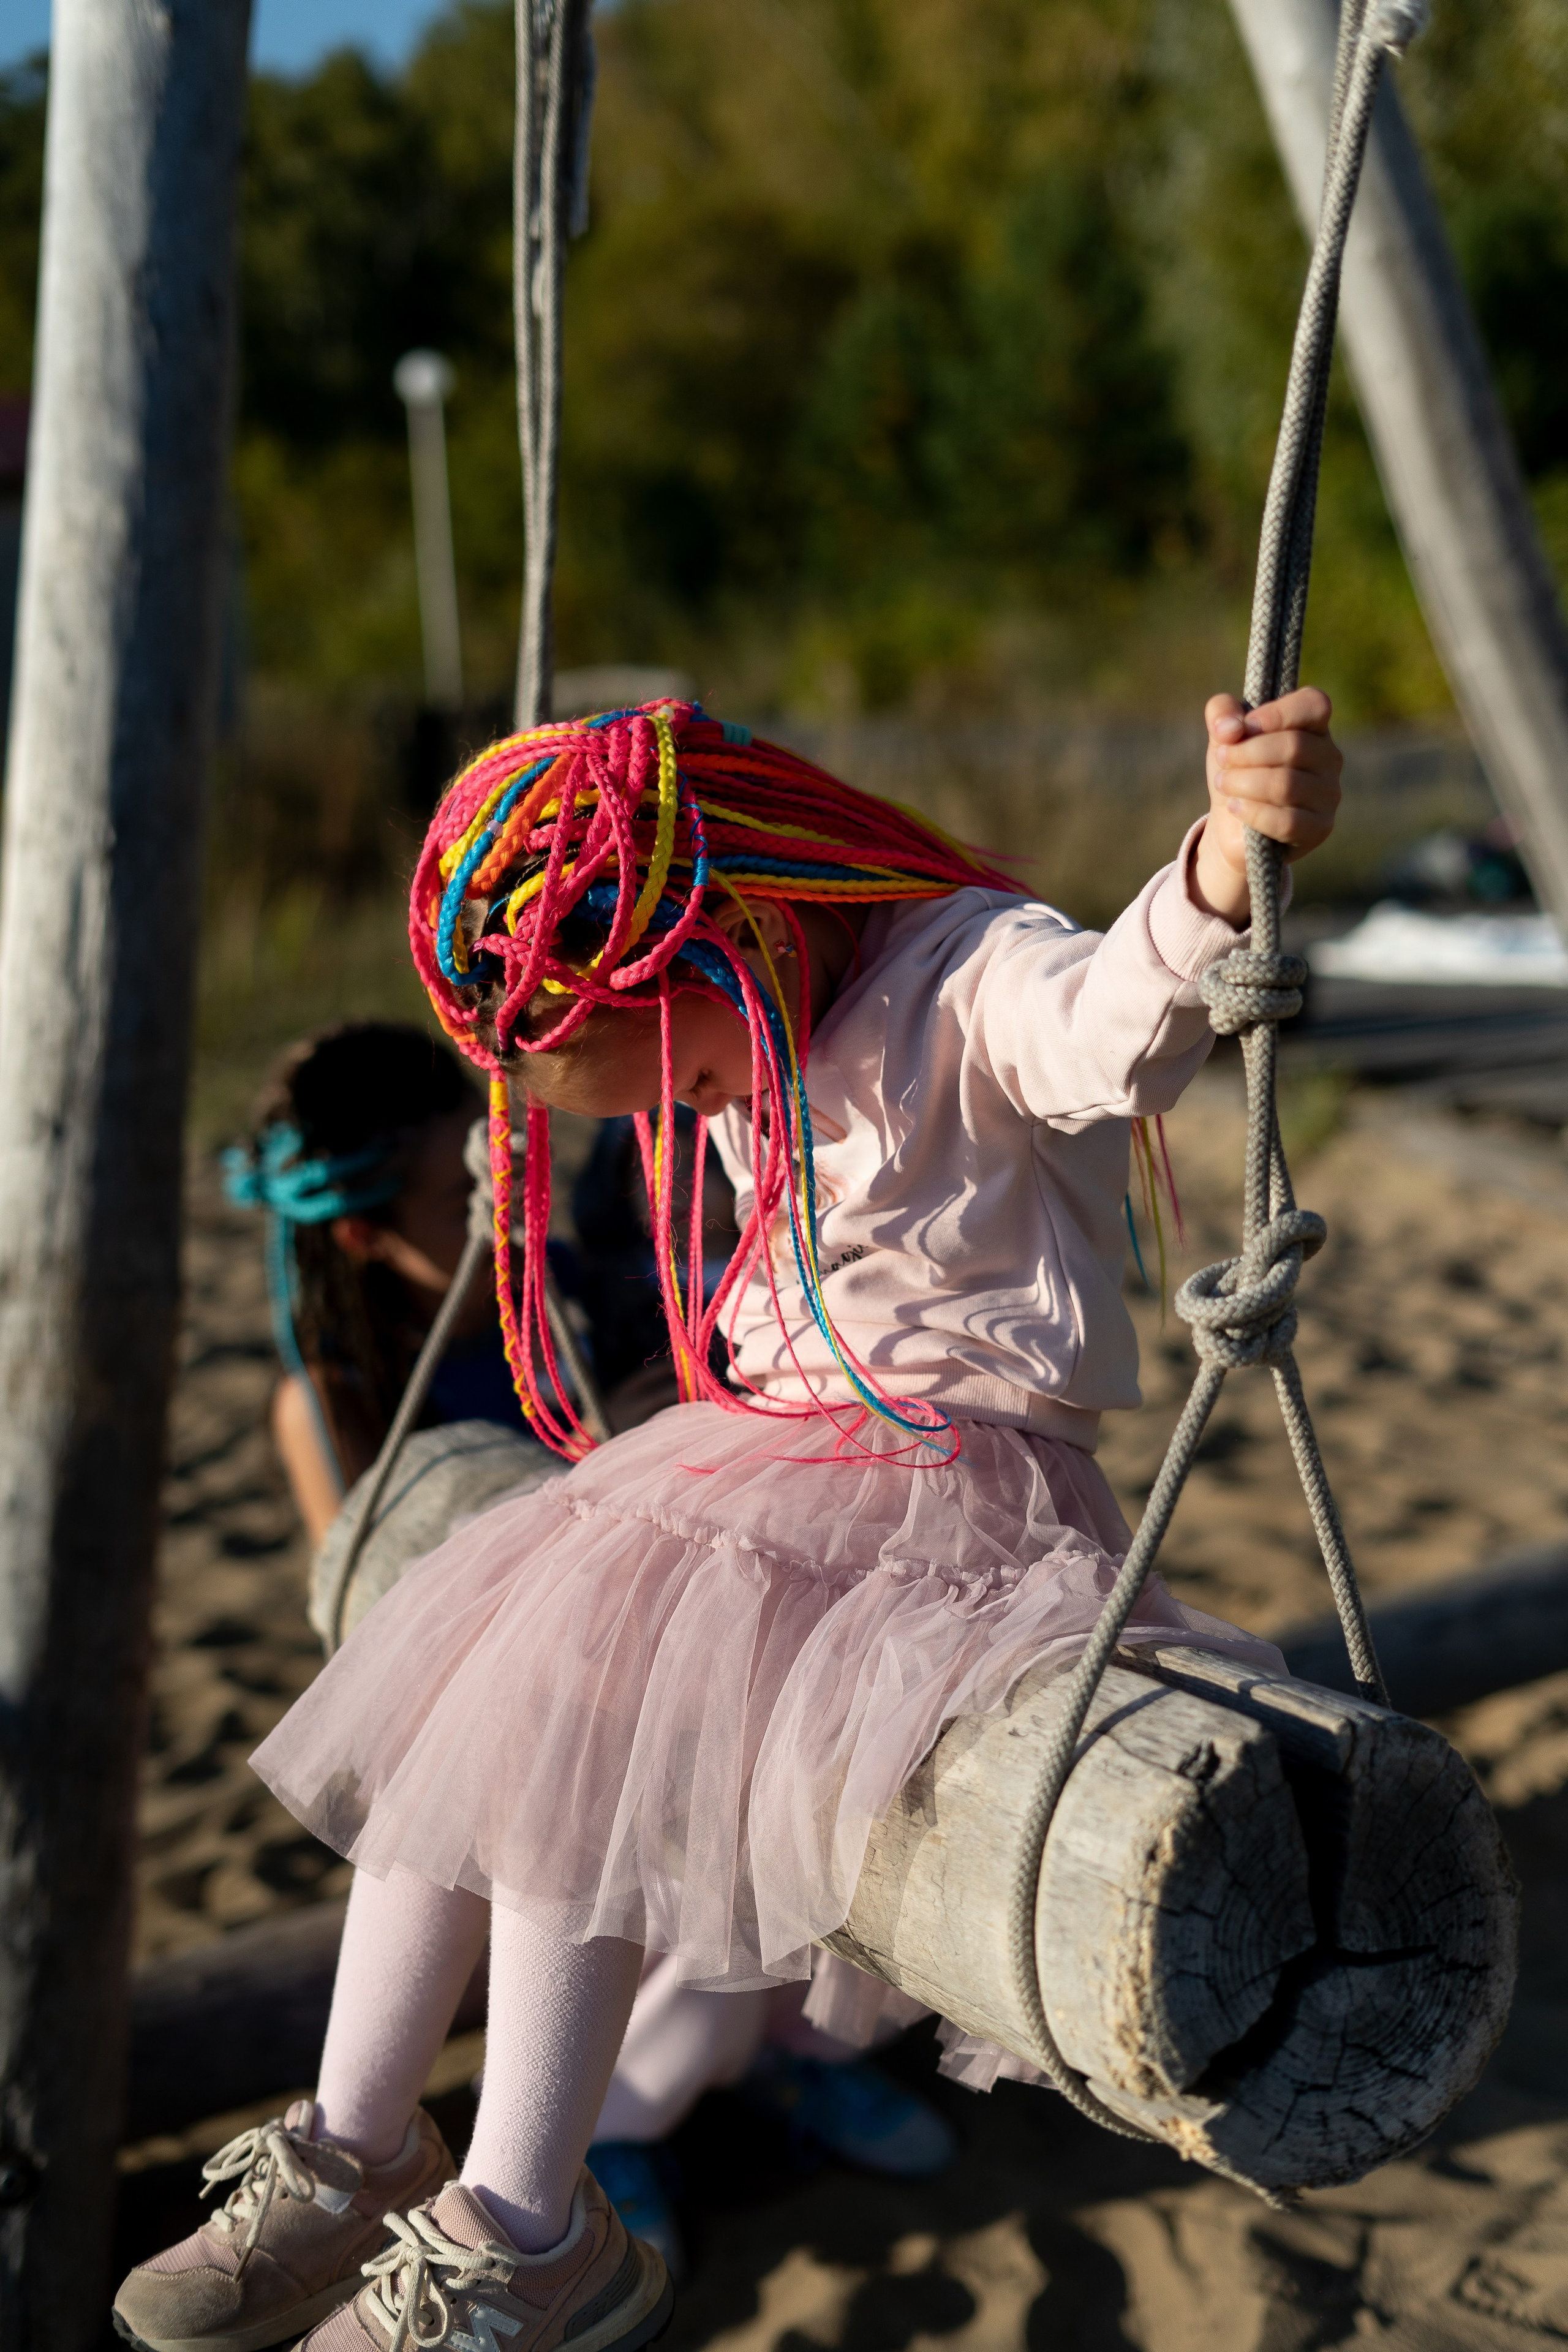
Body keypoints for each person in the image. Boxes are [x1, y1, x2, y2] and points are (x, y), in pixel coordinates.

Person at [114, 690, 1343, 2352]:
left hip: (947, 1487)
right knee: (500, 1647)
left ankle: (525, 2221)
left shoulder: (965, 976)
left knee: (594, 1664)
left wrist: (1216, 862)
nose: (669, 1111)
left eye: (658, 1069)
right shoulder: (743, 1025)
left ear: (718, 944)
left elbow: (1115, 1023)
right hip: (780, 1469)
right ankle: (350, 2146)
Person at [225, 1021, 532, 1546]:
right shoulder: (334, 1402)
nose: (510, 1209)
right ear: (365, 1236)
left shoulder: (568, 1290)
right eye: (467, 1202)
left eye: (505, 1170)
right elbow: (367, 1612)